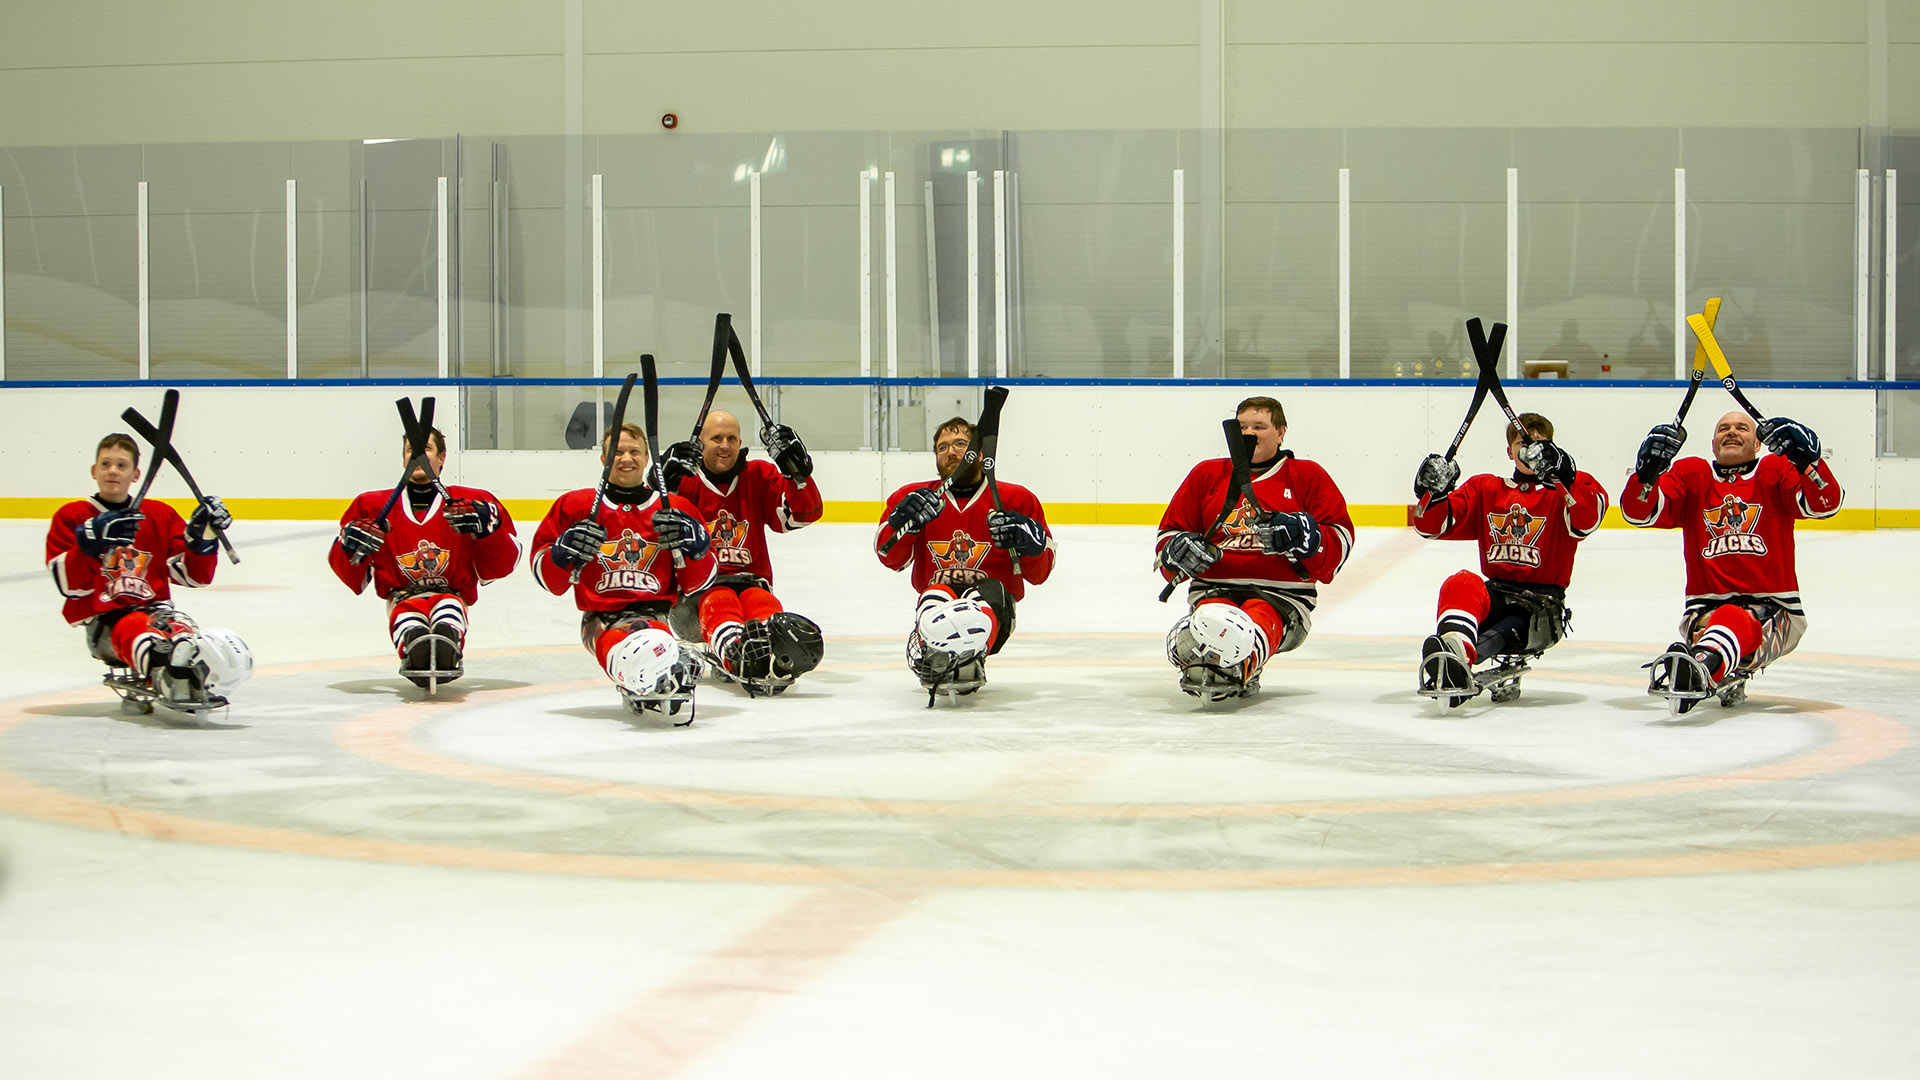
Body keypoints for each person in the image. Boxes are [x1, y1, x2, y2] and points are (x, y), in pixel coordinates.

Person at [1622, 410, 1843, 713]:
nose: (1731, 432)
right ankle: (1705, 661)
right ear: (1713, 444)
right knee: (1722, 621)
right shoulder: (1692, 475)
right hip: (1704, 608)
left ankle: (1700, 666)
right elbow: (1638, 513)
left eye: (1742, 428)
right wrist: (1646, 474)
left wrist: (1810, 464)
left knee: (1736, 620)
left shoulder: (1775, 470)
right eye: (1723, 428)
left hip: (1776, 609)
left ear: (1758, 444)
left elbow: (1825, 504)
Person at [1154, 396, 1354, 701]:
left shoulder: (1307, 476)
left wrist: (1306, 537)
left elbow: (1339, 541)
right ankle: (1219, 659)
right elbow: (1169, 535)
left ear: (1281, 432)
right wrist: (1177, 552)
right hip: (1213, 591)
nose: (1249, 433)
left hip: (1282, 598)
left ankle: (1238, 663)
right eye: (1243, 426)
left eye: (1259, 426)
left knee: (1256, 616)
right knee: (1211, 623)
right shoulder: (1206, 474)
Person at [1410, 412, 1608, 706]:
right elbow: (1431, 526)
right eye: (1523, 442)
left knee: (1510, 625)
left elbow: (1588, 518)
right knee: (1461, 583)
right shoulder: (1485, 489)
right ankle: (1453, 650)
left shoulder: (1563, 491)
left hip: (1541, 605)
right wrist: (1433, 494)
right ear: (1509, 451)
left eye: (1540, 443)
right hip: (1498, 592)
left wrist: (1566, 475)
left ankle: (1457, 662)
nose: (1531, 449)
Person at [46, 433, 250, 716]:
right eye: (105, 464)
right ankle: (167, 675)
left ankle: (190, 675)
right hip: (107, 622)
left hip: (159, 614)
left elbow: (193, 576)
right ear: (94, 471)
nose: (112, 471)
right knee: (145, 639)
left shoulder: (158, 514)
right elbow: (69, 586)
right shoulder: (72, 516)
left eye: (121, 465)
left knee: (191, 642)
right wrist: (90, 543)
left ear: (135, 474)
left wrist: (203, 537)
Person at [529, 422, 719, 721]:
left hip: (657, 617)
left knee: (651, 645)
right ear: (603, 460)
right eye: (617, 452)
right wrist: (562, 552)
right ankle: (650, 673)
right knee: (638, 650)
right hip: (601, 622)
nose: (626, 459)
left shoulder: (676, 508)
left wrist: (696, 549)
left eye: (634, 452)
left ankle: (653, 674)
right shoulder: (574, 505)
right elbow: (548, 579)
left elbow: (697, 583)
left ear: (646, 459)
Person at [874, 415, 1055, 701]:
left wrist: (1030, 545)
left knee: (986, 593)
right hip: (934, 605)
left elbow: (1040, 574)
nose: (951, 452)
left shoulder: (1016, 499)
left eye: (960, 444)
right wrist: (901, 525)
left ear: (980, 454)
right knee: (935, 592)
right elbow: (890, 557)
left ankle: (967, 655)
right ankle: (940, 653)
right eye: (942, 447)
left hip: (995, 609)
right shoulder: (913, 497)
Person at [327, 424, 520, 691]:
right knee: (409, 622)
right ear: (404, 459)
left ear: (442, 458)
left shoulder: (473, 502)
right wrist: (349, 545)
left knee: (448, 614)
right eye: (410, 450)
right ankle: (412, 644)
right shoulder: (371, 507)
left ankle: (448, 642)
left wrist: (490, 529)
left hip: (452, 594)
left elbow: (500, 566)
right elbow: (352, 577)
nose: (417, 455)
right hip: (402, 597)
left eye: (426, 448)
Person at [658, 410, 825, 696]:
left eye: (731, 438)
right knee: (720, 598)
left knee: (759, 599)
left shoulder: (759, 474)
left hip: (751, 583)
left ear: (740, 442)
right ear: (700, 443)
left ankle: (766, 648)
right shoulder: (686, 481)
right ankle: (736, 652)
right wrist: (659, 484)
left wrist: (798, 475)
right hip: (696, 597)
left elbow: (803, 515)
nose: (725, 445)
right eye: (717, 438)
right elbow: (650, 531)